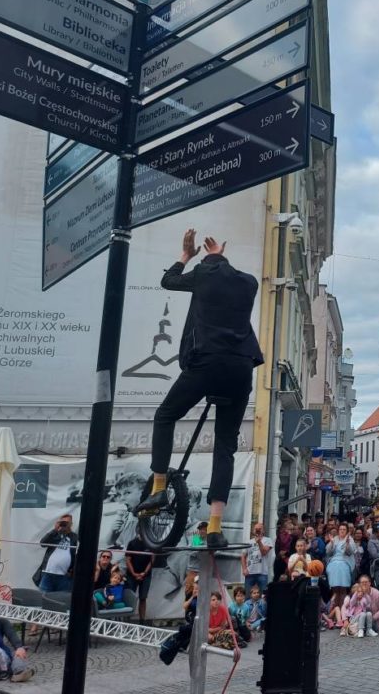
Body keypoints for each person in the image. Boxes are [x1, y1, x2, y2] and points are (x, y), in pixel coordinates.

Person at [135, 230, 263, 549]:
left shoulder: (203, 275)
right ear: (226, 258)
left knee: (165, 416)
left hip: (208, 361)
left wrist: (186, 256)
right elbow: (225, 271)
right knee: (225, 445)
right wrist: (216, 256)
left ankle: (160, 487)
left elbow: (170, 281)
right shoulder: (249, 283)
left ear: (206, 263)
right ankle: (216, 529)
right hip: (241, 366)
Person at [36, 514, 78, 592]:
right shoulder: (55, 534)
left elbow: (77, 555)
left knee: (60, 601)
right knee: (42, 600)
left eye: (67, 522)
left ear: (71, 524)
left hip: (64, 576)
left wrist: (72, 571)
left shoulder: (74, 537)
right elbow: (42, 543)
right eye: (63, 522)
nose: (64, 524)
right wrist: (55, 530)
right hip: (48, 574)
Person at [124, 535, 154, 623]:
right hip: (131, 575)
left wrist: (144, 573)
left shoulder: (151, 544)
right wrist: (134, 573)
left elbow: (152, 560)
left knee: (143, 597)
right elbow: (128, 559)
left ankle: (142, 621)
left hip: (145, 575)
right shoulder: (132, 543)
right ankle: (127, 620)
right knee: (129, 597)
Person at [241, 523, 274, 594]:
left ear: (263, 531)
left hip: (262, 573)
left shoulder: (267, 540)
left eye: (260, 529)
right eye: (256, 529)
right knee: (248, 595)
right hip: (250, 573)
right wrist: (244, 569)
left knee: (263, 596)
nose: (257, 530)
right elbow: (243, 556)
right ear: (253, 530)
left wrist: (259, 541)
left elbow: (264, 552)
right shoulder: (249, 542)